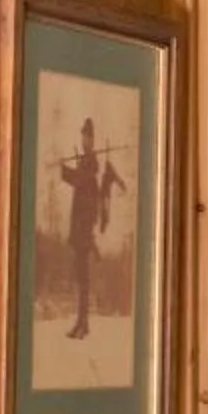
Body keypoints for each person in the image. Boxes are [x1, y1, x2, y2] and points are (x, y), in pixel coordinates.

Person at [54, 116, 127, 340]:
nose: (84, 140)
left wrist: (63, 170)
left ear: (92, 139)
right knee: (80, 277)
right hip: (80, 227)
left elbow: (80, 180)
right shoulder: (86, 160)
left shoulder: (91, 162)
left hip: (84, 228)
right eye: (83, 137)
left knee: (83, 278)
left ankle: (83, 324)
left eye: (87, 137)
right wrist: (67, 169)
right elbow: (80, 181)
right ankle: (82, 323)